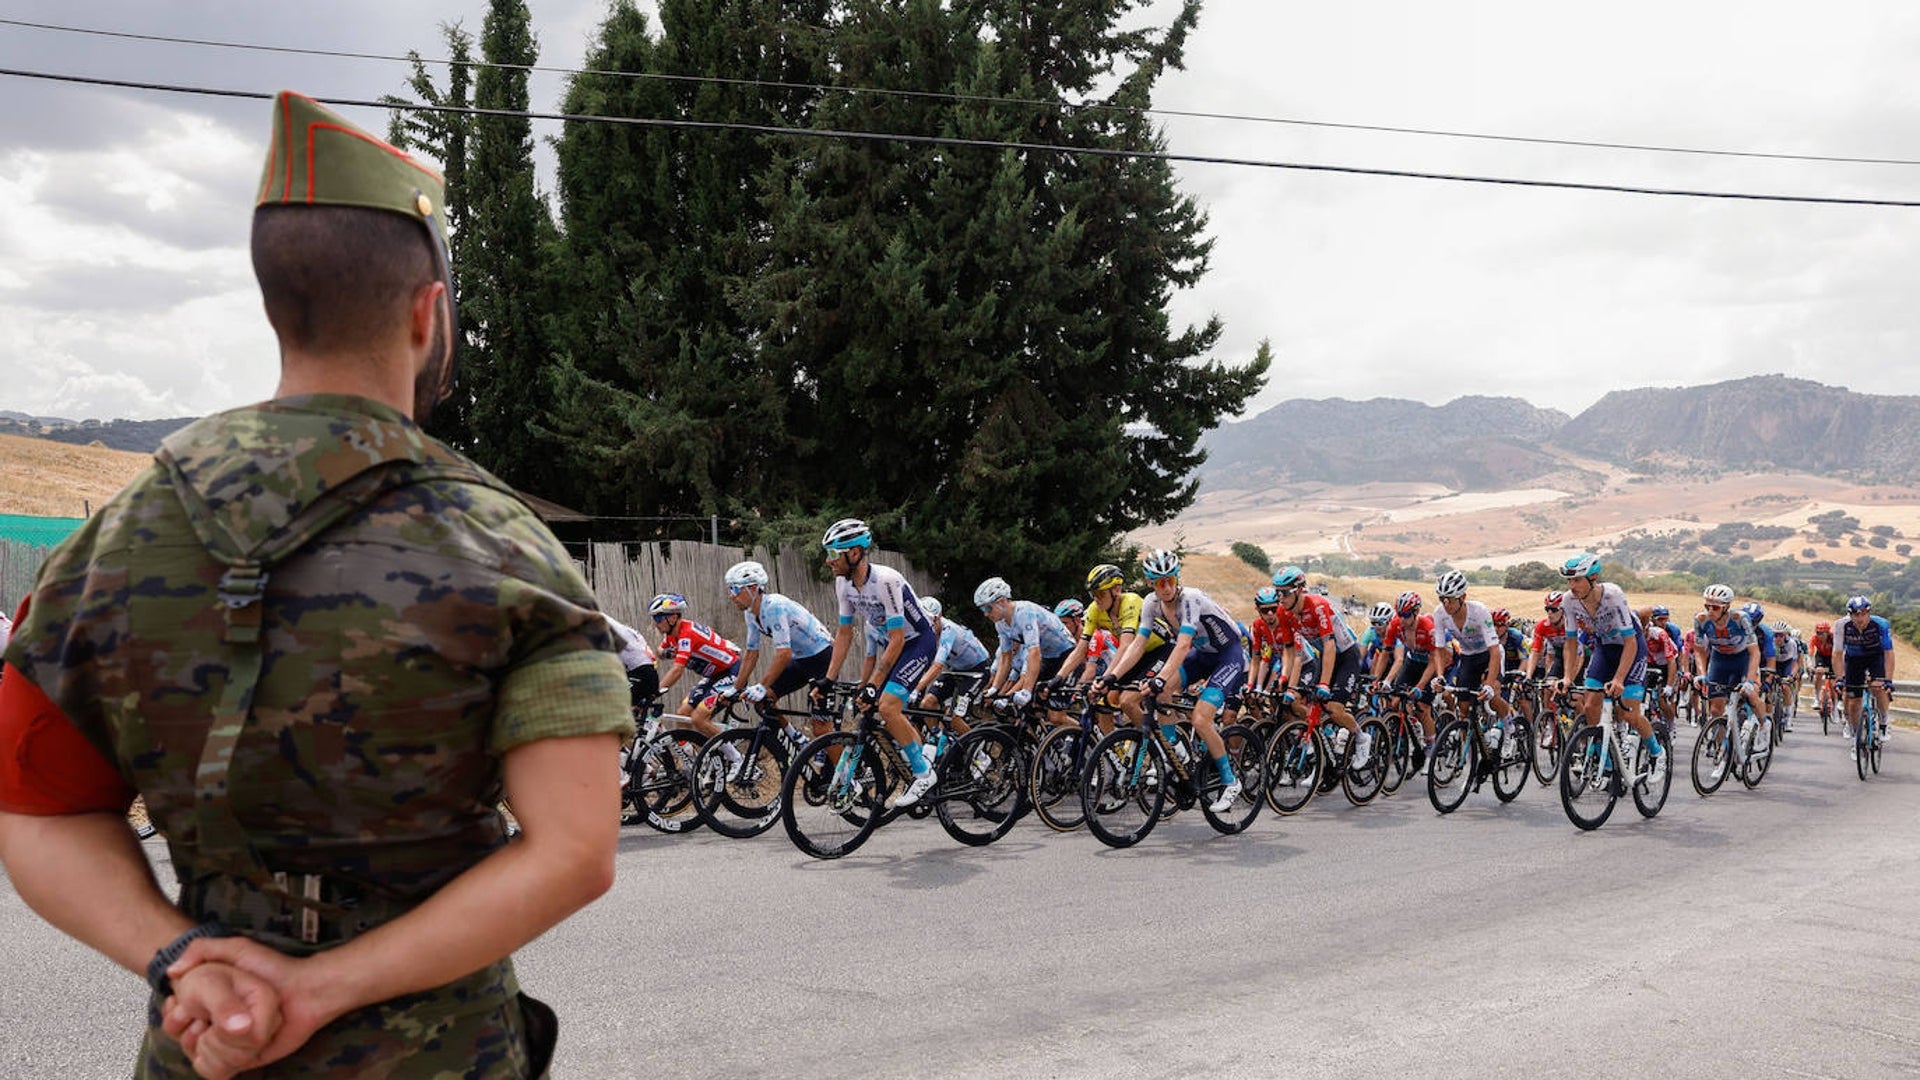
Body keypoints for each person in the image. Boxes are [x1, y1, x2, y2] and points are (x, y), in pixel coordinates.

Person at [0, 92, 629, 1079]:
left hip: (205, 1052)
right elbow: (577, 848)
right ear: (428, 316)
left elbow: (39, 809)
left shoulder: (107, 544)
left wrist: (178, 963)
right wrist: (315, 990)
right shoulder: (505, 547)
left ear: (273, 305)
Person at [1096, 550, 1246, 813]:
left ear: (1177, 578)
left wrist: (1159, 678)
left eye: (1170, 580)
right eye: (1159, 582)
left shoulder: (1190, 598)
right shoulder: (1151, 603)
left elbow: (1184, 643)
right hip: (1203, 654)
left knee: (1200, 718)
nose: (1165, 587)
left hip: (1227, 654)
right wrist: (1112, 676)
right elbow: (1137, 645)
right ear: (1149, 583)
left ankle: (1230, 781)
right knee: (1158, 693)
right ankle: (1174, 752)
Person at [815, 518, 942, 808]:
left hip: (917, 643)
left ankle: (922, 775)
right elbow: (845, 633)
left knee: (886, 704)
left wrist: (872, 683)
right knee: (874, 706)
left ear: (855, 553)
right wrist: (829, 679)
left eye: (834, 554)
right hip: (894, 645)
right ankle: (923, 753)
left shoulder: (886, 580)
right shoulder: (843, 585)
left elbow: (898, 639)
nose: (828, 560)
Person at [1558, 553, 1660, 759]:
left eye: (1577, 580)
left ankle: (1657, 752)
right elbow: (1570, 642)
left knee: (1629, 715)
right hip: (1604, 648)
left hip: (1631, 647)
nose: (1571, 585)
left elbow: (1630, 642)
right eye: (1569, 580)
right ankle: (1601, 759)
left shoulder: (1613, 596)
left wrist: (1619, 679)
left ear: (1592, 578)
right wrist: (1567, 676)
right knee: (1589, 706)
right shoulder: (1568, 600)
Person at [1268, 565, 1371, 766]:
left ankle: (1360, 737)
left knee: (1333, 707)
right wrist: (1287, 683)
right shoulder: (1284, 612)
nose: (1280, 598)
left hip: (1346, 656)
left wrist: (1324, 683)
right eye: (1277, 592)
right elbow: (1291, 651)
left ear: (1298, 590)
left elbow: (1330, 644)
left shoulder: (1317, 605)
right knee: (1303, 704)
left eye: (1284, 592)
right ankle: (1325, 755)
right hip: (1324, 657)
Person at [722, 560, 836, 740]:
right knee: (763, 701)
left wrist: (761, 685)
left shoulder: (775, 606)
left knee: (821, 728)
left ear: (752, 588)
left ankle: (842, 768)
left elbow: (784, 653)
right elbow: (751, 653)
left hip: (822, 656)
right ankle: (797, 739)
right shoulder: (750, 613)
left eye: (734, 589)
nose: (731, 595)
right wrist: (735, 688)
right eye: (729, 589)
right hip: (802, 659)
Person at [1836, 596, 1896, 746]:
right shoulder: (1841, 625)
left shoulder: (1881, 624)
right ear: (1850, 615)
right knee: (1854, 701)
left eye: (1863, 613)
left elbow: (1889, 653)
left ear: (1869, 613)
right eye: (1856, 614)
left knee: (1878, 687)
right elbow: (1837, 654)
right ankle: (1856, 737)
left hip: (1875, 657)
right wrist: (1839, 678)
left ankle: (1883, 723)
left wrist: (1888, 680)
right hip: (1854, 659)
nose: (1860, 618)